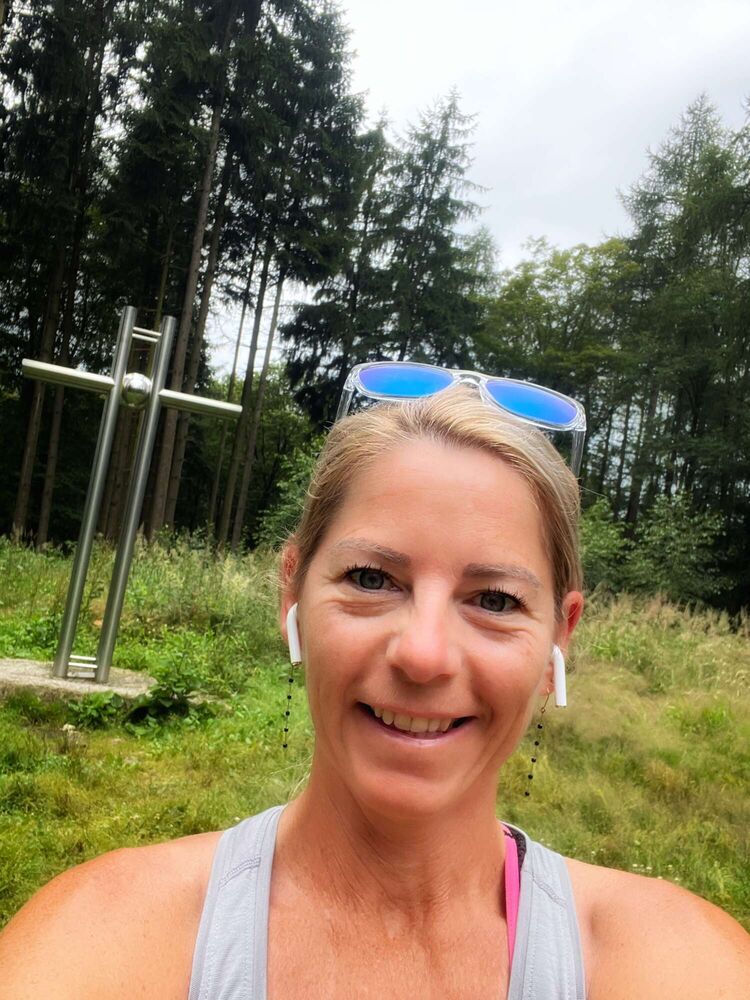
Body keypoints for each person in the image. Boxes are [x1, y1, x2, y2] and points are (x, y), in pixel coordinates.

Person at [0, 368, 748, 1000]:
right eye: (370, 579)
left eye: (494, 600)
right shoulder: (104, 943)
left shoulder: (675, 964)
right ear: (292, 591)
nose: (423, 655)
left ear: (561, 633)